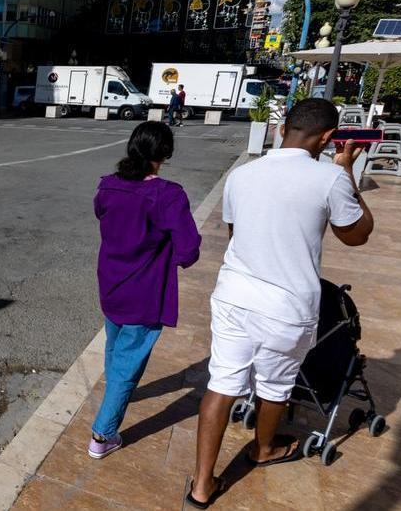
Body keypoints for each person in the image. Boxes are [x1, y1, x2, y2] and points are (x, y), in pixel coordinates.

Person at [188, 98, 374, 508]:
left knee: (221, 384)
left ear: (283, 127)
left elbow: (237, 235)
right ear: (328, 138)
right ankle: (263, 449)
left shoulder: (242, 175)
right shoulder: (329, 178)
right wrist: (346, 169)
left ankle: (202, 484)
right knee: (275, 386)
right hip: (286, 306)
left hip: (234, 295)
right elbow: (357, 234)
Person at [89, 122, 201, 459]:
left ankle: (115, 393)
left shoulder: (108, 186)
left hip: (112, 282)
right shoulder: (167, 194)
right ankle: (102, 434)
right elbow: (188, 250)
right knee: (128, 358)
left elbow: (102, 214)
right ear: (165, 154)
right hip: (145, 290)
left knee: (115, 344)